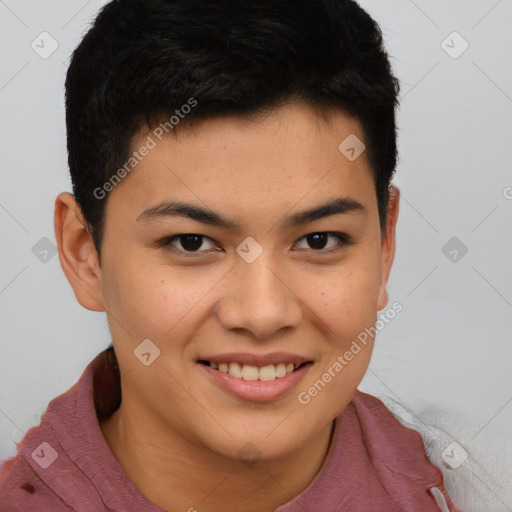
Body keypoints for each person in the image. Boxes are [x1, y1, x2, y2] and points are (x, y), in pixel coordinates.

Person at [0, 0, 462, 510]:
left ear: (385, 243)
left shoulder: (469, 488)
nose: (263, 314)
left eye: (318, 240)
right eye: (191, 242)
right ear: (85, 254)